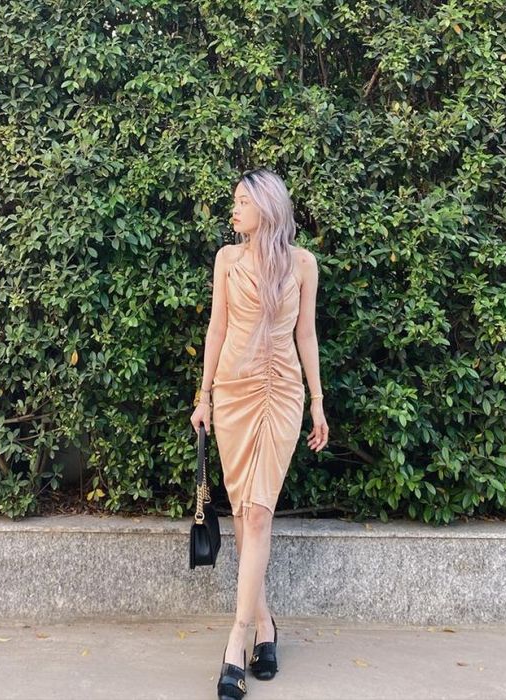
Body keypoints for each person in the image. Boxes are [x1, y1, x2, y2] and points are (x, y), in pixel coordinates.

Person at [190, 166, 328, 699]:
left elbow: (306, 334)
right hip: (233, 393)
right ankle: (267, 625)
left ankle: (237, 640)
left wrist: (317, 401)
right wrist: (203, 396)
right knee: (244, 515)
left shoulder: (303, 263)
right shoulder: (227, 260)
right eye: (235, 201)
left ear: (267, 208)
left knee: (260, 512)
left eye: (242, 202)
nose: (234, 210)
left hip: (281, 392)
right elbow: (217, 328)